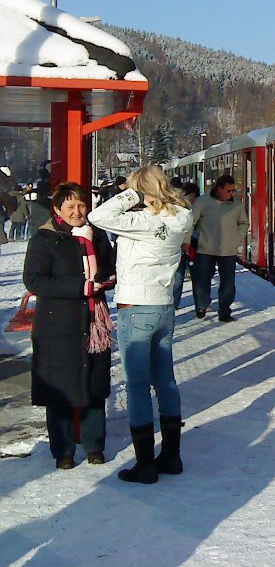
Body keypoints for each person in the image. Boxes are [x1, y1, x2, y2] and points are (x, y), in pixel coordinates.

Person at [88, 166, 193, 484]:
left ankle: (145, 463)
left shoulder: (142, 221)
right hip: (163, 306)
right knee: (166, 381)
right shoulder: (180, 216)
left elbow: (98, 217)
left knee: (136, 386)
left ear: (142, 189)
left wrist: (133, 193)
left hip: (136, 308)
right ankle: (172, 456)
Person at [23, 181, 116, 469]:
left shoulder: (96, 235)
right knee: (59, 390)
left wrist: (106, 279)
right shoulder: (44, 239)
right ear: (58, 209)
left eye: (82, 205)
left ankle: (94, 446)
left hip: (93, 321)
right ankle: (62, 451)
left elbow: (111, 266)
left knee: (94, 387)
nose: (78, 211)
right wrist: (81, 287)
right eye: (71, 206)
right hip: (57, 325)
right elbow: (34, 280)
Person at [190, 174, 248, 322]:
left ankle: (224, 311)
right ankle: (202, 304)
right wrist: (187, 241)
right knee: (202, 280)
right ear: (219, 189)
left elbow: (243, 223)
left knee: (228, 284)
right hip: (205, 249)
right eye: (229, 191)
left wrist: (236, 238)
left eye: (233, 190)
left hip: (228, 250)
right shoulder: (203, 202)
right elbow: (189, 223)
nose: (232, 194)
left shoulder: (236, 204)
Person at [171, 182, 201, 309]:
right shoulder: (178, 210)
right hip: (181, 247)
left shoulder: (200, 207)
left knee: (197, 278)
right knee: (178, 279)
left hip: (195, 246)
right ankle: (173, 305)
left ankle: (201, 304)